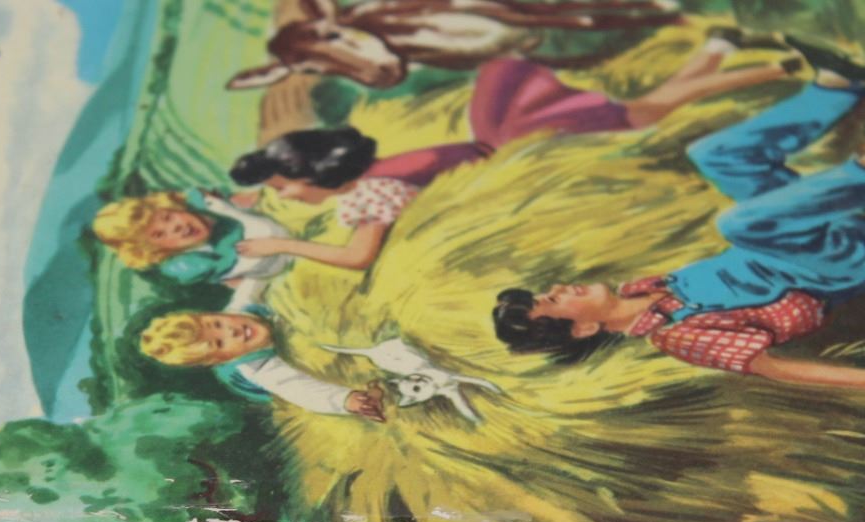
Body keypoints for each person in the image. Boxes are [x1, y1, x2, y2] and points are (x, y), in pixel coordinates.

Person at [493, 38, 865, 418]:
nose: (559, 288)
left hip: (810, 236)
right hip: (841, 267)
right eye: (552, 301)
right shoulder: (678, 337)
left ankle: (838, 87)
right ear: (583, 328)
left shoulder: (647, 289)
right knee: (739, 224)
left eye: (546, 291)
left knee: (715, 156)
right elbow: (782, 371)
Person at [232, 31, 799, 273]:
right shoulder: (379, 173)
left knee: (645, 111)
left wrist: (281, 244)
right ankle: (722, 48)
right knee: (645, 109)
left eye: (284, 186)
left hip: (526, 148)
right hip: (509, 134)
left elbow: (358, 258)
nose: (287, 195)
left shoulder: (373, 192)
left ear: (315, 173)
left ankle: (775, 65)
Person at [139, 307, 389, 421]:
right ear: (221, 359)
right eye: (219, 343)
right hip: (272, 379)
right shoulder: (257, 368)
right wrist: (346, 400)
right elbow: (299, 389)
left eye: (217, 324)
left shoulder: (245, 308)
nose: (231, 332)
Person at [91, 187, 293, 307]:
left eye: (167, 217)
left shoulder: (209, 203)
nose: (176, 228)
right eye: (159, 234)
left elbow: (260, 198)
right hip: (282, 268)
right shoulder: (191, 264)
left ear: (175, 207)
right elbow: (245, 285)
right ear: (157, 251)